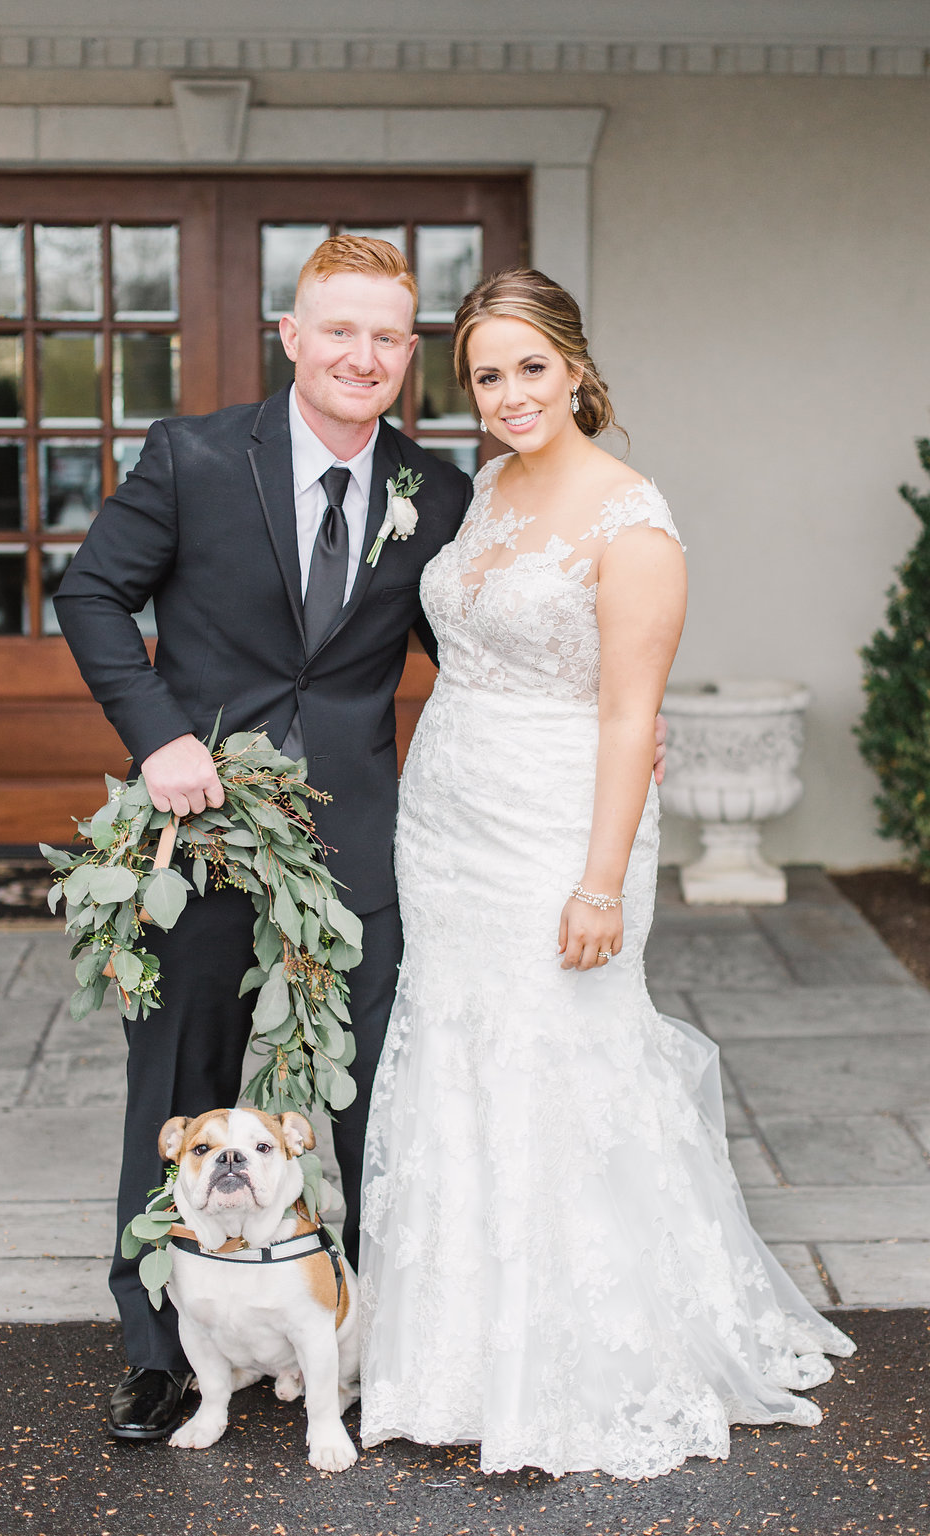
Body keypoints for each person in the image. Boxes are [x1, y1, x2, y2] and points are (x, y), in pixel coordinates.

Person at [358, 269, 854, 1480]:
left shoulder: (630, 520)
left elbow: (631, 721)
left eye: (532, 366)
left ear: (576, 366)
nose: (512, 393)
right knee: (459, 1053)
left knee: (562, 1057)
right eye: (487, 374)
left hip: (558, 834)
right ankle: (456, 1355)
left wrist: (596, 882)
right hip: (448, 824)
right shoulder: (480, 492)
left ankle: (583, 1355)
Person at [54, 237, 473, 1440]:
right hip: (202, 848)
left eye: (389, 337)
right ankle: (156, 1351)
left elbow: (478, 654)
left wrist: (599, 726)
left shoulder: (434, 496)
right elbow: (90, 592)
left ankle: (386, 1338)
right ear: (291, 336)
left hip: (358, 856)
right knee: (178, 1088)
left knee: (373, 1107)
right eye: (339, 330)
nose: (365, 355)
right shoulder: (192, 457)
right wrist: (159, 736)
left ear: (411, 354)